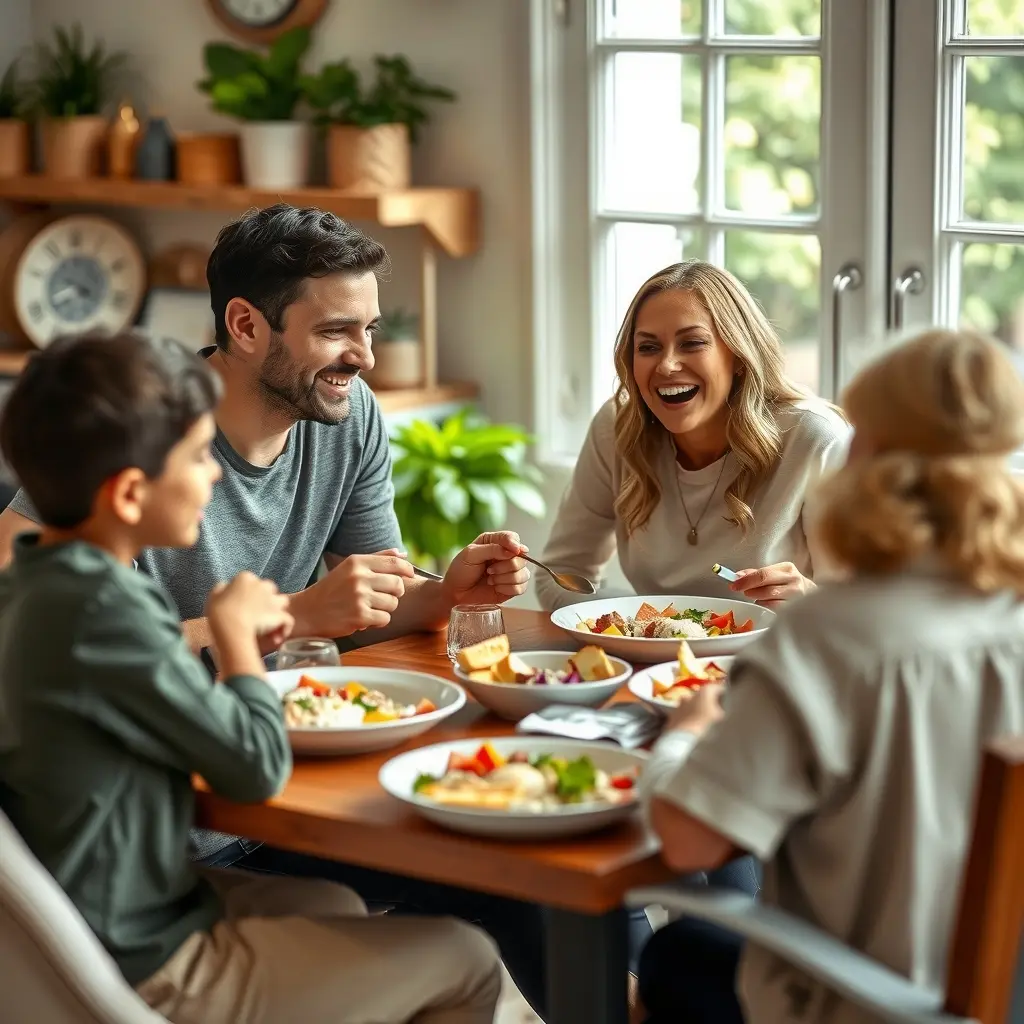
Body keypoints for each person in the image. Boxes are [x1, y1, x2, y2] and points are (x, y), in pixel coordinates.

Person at [0, 205, 553, 1017]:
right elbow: (244, 751)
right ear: (246, 325)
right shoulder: (143, 432)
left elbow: (361, 598)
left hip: (187, 854)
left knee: (486, 879)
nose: (364, 358)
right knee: (471, 937)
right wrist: (266, 625)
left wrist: (442, 594)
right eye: (337, 331)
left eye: (369, 329)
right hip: (173, 866)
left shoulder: (338, 418)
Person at [639, 328, 1024, 1024]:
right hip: (1002, 996)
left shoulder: (831, 635)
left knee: (675, 954)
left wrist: (684, 737)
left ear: (868, 453)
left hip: (864, 1006)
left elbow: (688, 840)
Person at [536, 260, 851, 612]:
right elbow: (557, 576)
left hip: (770, 662)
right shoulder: (617, 427)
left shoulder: (816, 439)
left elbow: (865, 618)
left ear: (739, 356)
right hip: (650, 664)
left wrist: (810, 601)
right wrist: (641, 623)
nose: (667, 365)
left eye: (692, 343)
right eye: (648, 347)